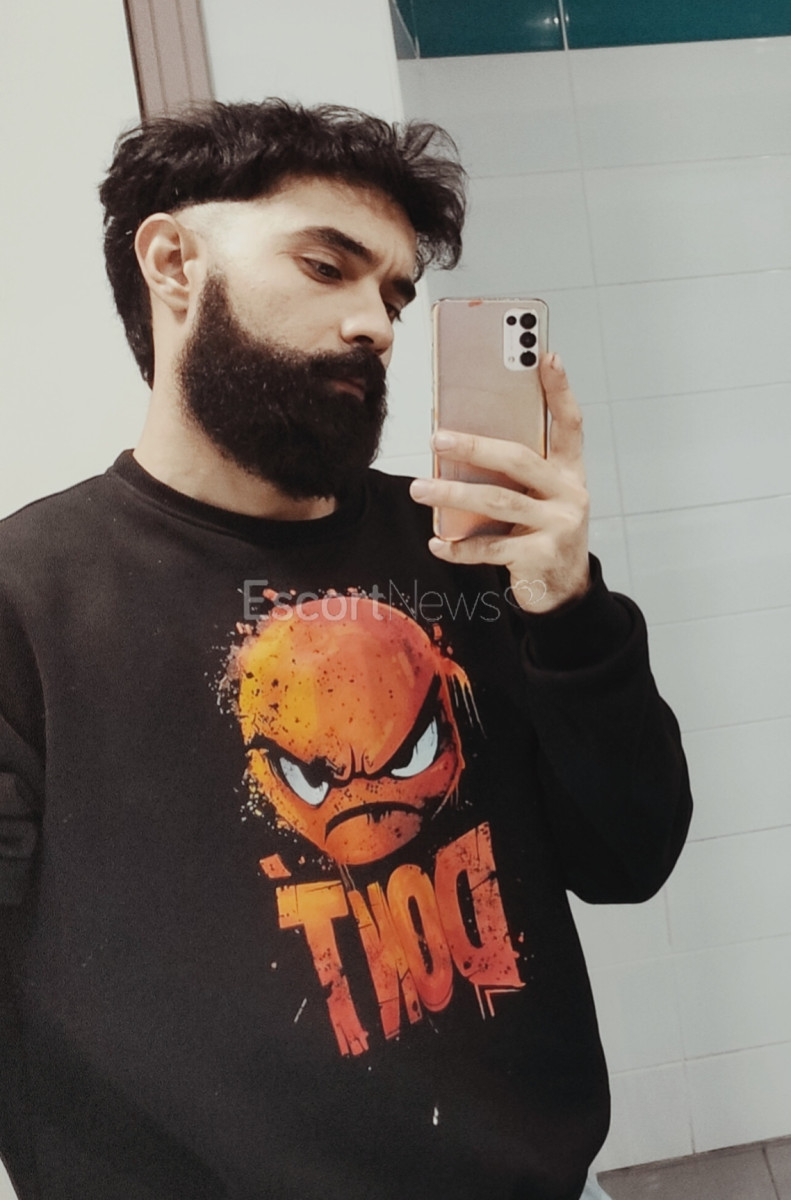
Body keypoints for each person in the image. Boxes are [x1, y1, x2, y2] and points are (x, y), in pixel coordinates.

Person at [0, 99, 691, 1200]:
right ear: (172, 262)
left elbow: (629, 858)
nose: (374, 322)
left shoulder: (466, 553)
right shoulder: (26, 602)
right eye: (326, 267)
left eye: (394, 294)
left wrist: (568, 609)